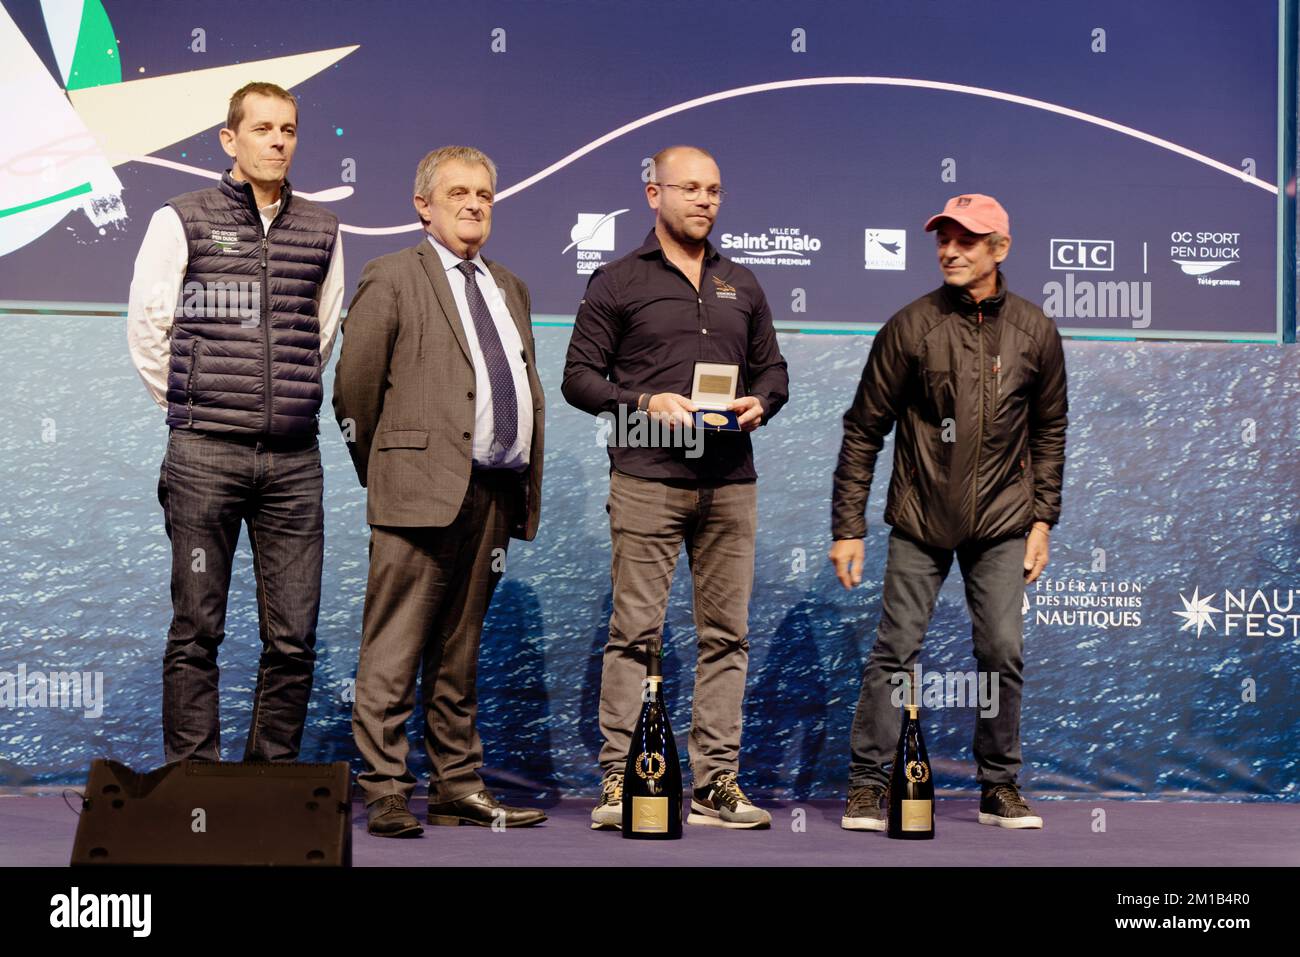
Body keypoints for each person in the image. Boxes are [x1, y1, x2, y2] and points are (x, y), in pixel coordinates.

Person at [563, 145, 789, 830]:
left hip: (730, 482)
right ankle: (619, 778)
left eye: (714, 190)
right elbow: (578, 378)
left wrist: (763, 403)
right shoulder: (616, 281)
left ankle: (716, 779)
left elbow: (774, 372)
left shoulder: (742, 284)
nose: (705, 200)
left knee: (727, 635)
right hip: (647, 478)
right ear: (653, 193)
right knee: (636, 632)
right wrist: (643, 401)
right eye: (690, 188)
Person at [829, 193, 1068, 831]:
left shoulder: (1036, 331)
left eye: (967, 240)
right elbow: (863, 430)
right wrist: (847, 526)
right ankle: (868, 785)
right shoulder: (910, 326)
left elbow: (1050, 430)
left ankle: (999, 787)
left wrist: (1042, 519)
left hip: (1002, 524)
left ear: (1000, 249)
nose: (950, 251)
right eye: (944, 239)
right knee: (896, 650)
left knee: (1002, 650)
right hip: (919, 518)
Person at [127, 81, 343, 763]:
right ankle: (195, 780)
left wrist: (280, 404)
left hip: (292, 461)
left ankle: (268, 782)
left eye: (288, 129)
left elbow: (321, 333)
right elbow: (148, 327)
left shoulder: (322, 229)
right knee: (198, 627)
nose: (277, 141)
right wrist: (193, 408)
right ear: (230, 139)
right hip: (203, 457)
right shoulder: (181, 217)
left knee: (293, 636)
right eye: (262, 129)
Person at [334, 146, 546, 837]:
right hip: (416, 493)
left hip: (492, 494)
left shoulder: (509, 286)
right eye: (457, 192)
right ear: (422, 204)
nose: (474, 203)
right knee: (393, 651)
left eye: (485, 193)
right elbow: (354, 391)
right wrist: (391, 468)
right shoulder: (390, 275)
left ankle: (457, 785)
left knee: (460, 654)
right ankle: (386, 787)